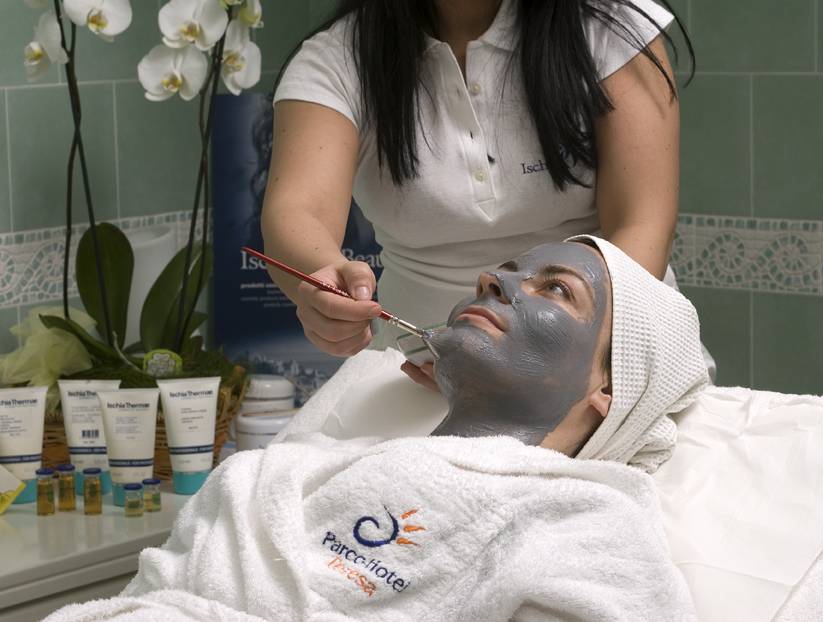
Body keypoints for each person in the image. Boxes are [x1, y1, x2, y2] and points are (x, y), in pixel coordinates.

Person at [43, 238, 708, 622]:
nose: (494, 280)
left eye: (557, 290)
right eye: (507, 271)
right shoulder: (289, 470)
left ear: (611, 390)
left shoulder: (587, 525)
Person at [261, 0, 696, 388]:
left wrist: (563, 367)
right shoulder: (335, 60)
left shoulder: (611, 26)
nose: (491, 285)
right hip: (423, 374)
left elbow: (643, 223)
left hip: (606, 363)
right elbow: (298, 212)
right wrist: (324, 281)